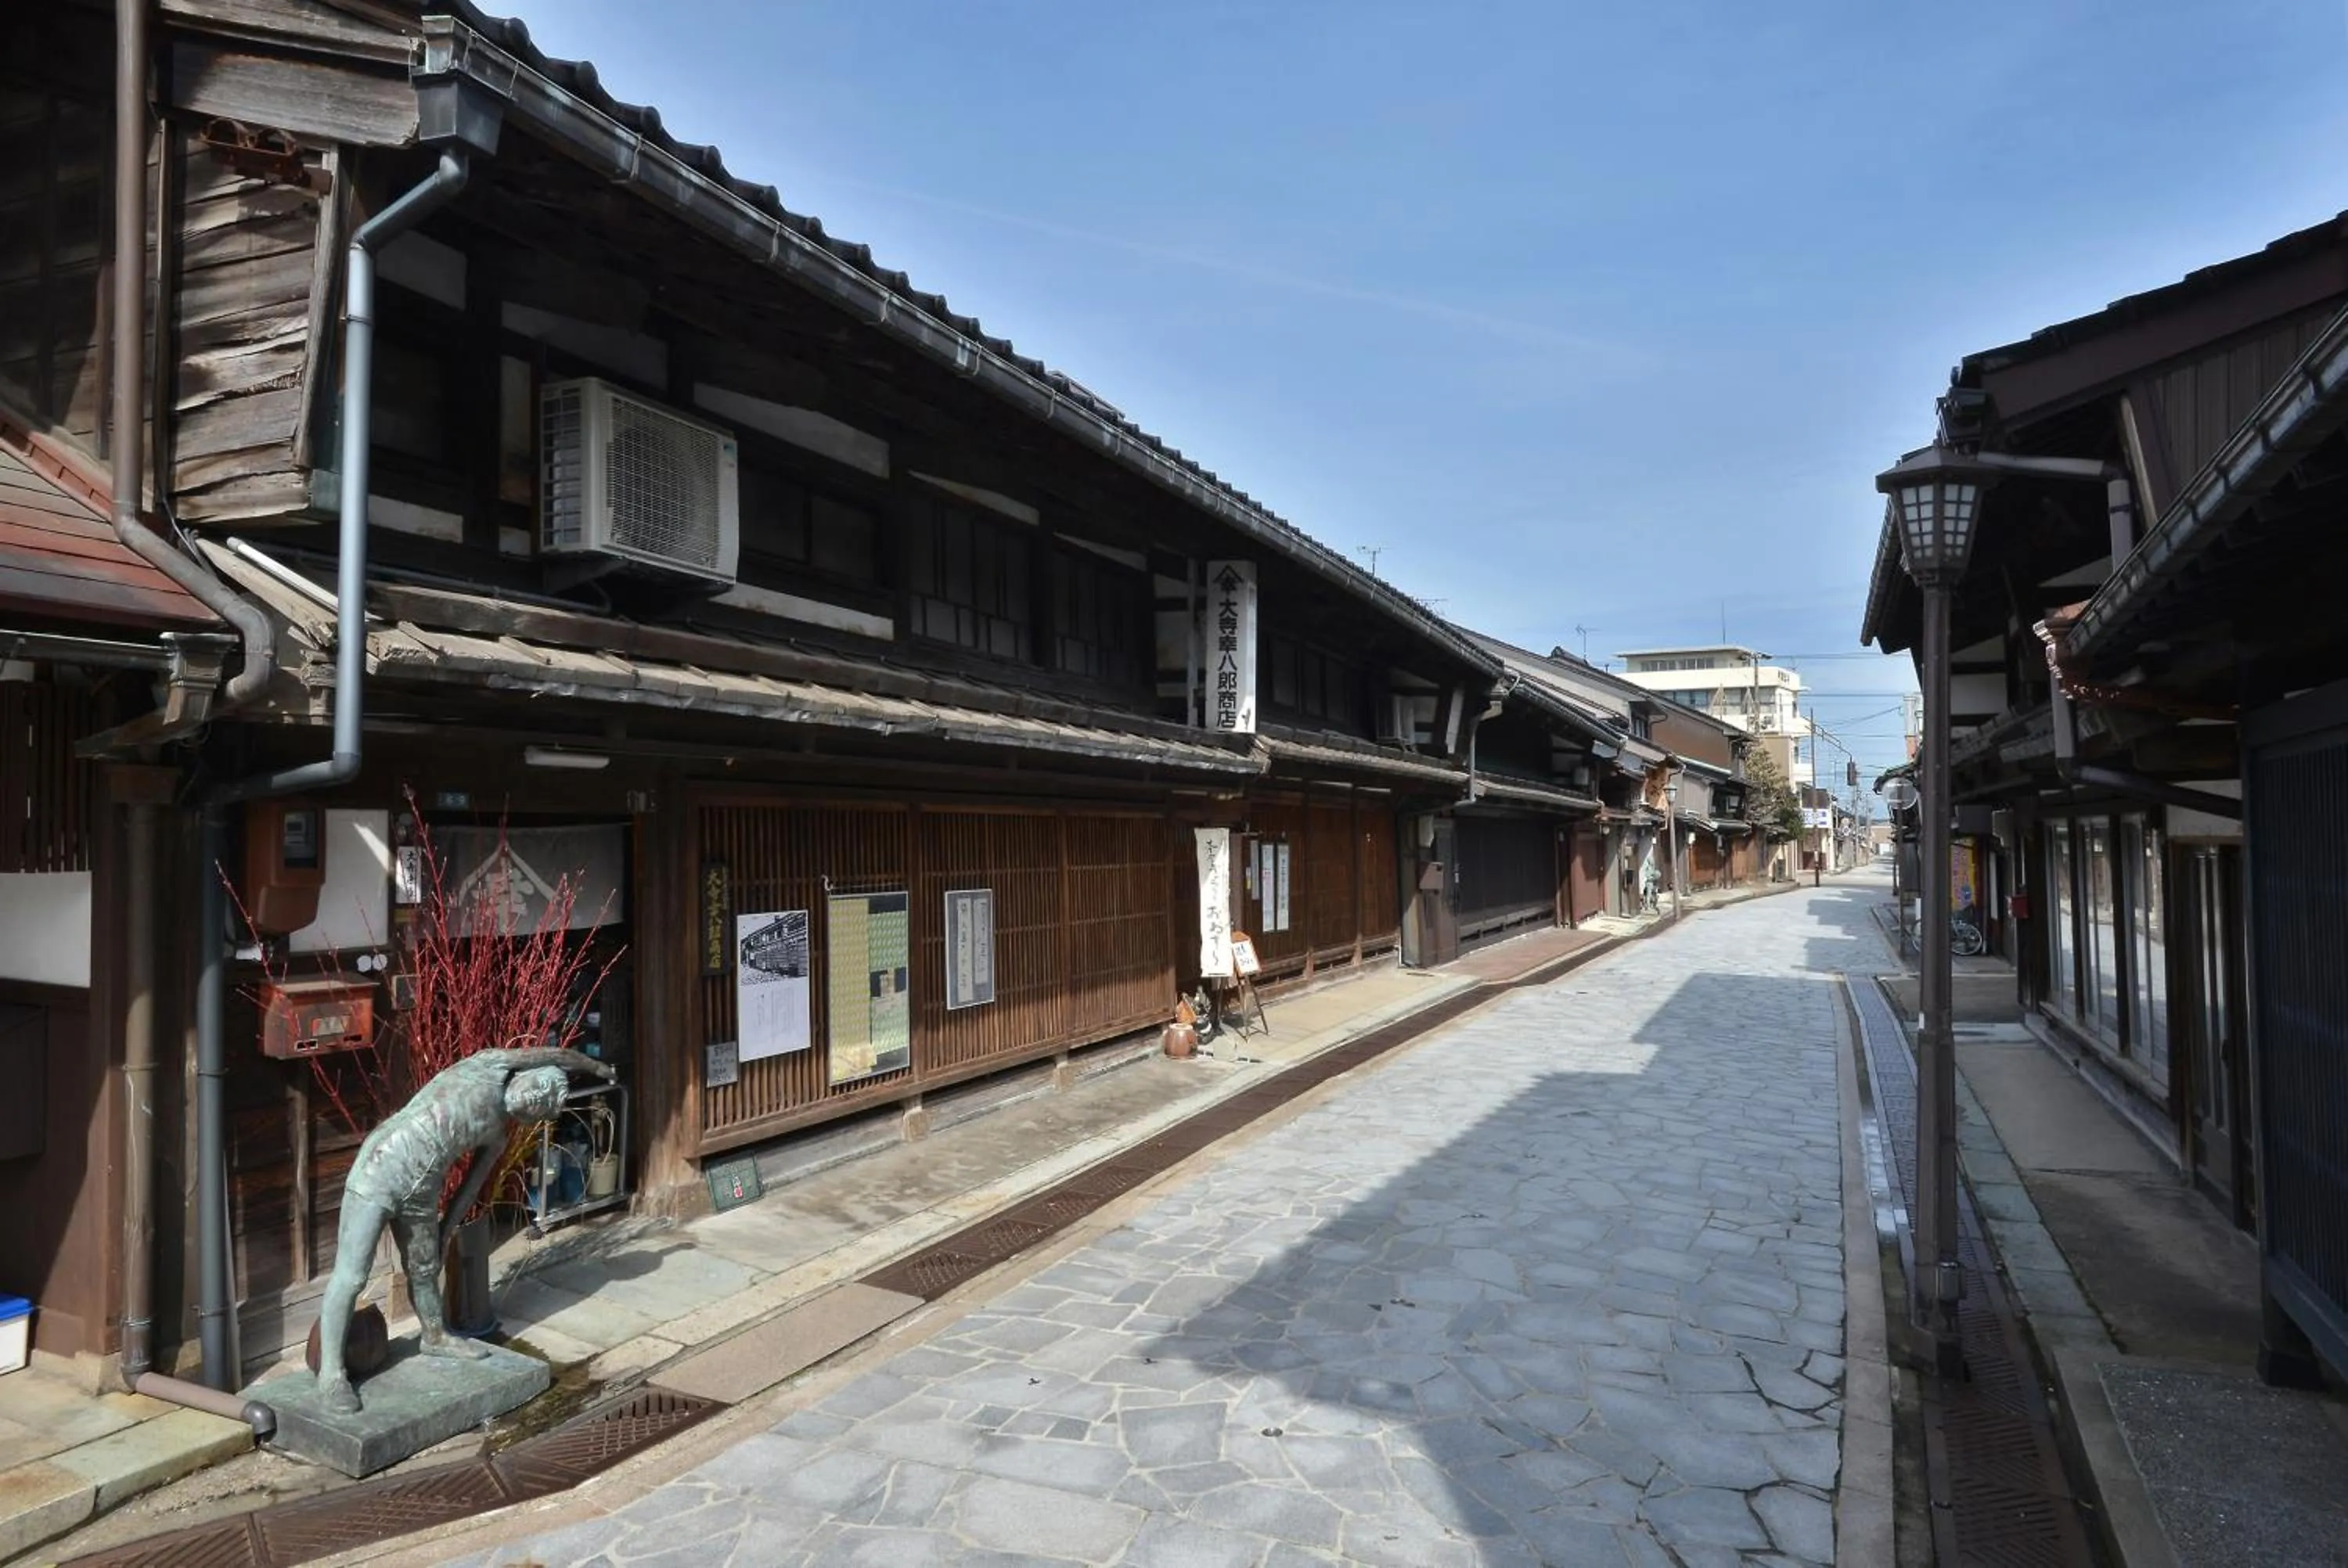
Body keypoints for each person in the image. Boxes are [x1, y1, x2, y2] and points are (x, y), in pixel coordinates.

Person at [314, 1046, 611, 1414]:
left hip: (424, 1190)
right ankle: (331, 1375)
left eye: (541, 1103)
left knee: (425, 1271)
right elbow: (557, 1053)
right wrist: (596, 1066)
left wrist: (445, 1232)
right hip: (381, 1169)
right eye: (537, 1087)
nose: (533, 1098)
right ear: (525, 1073)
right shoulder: (487, 1066)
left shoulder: (498, 1138)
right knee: (352, 1275)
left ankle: (435, 1335)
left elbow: (470, 1189)